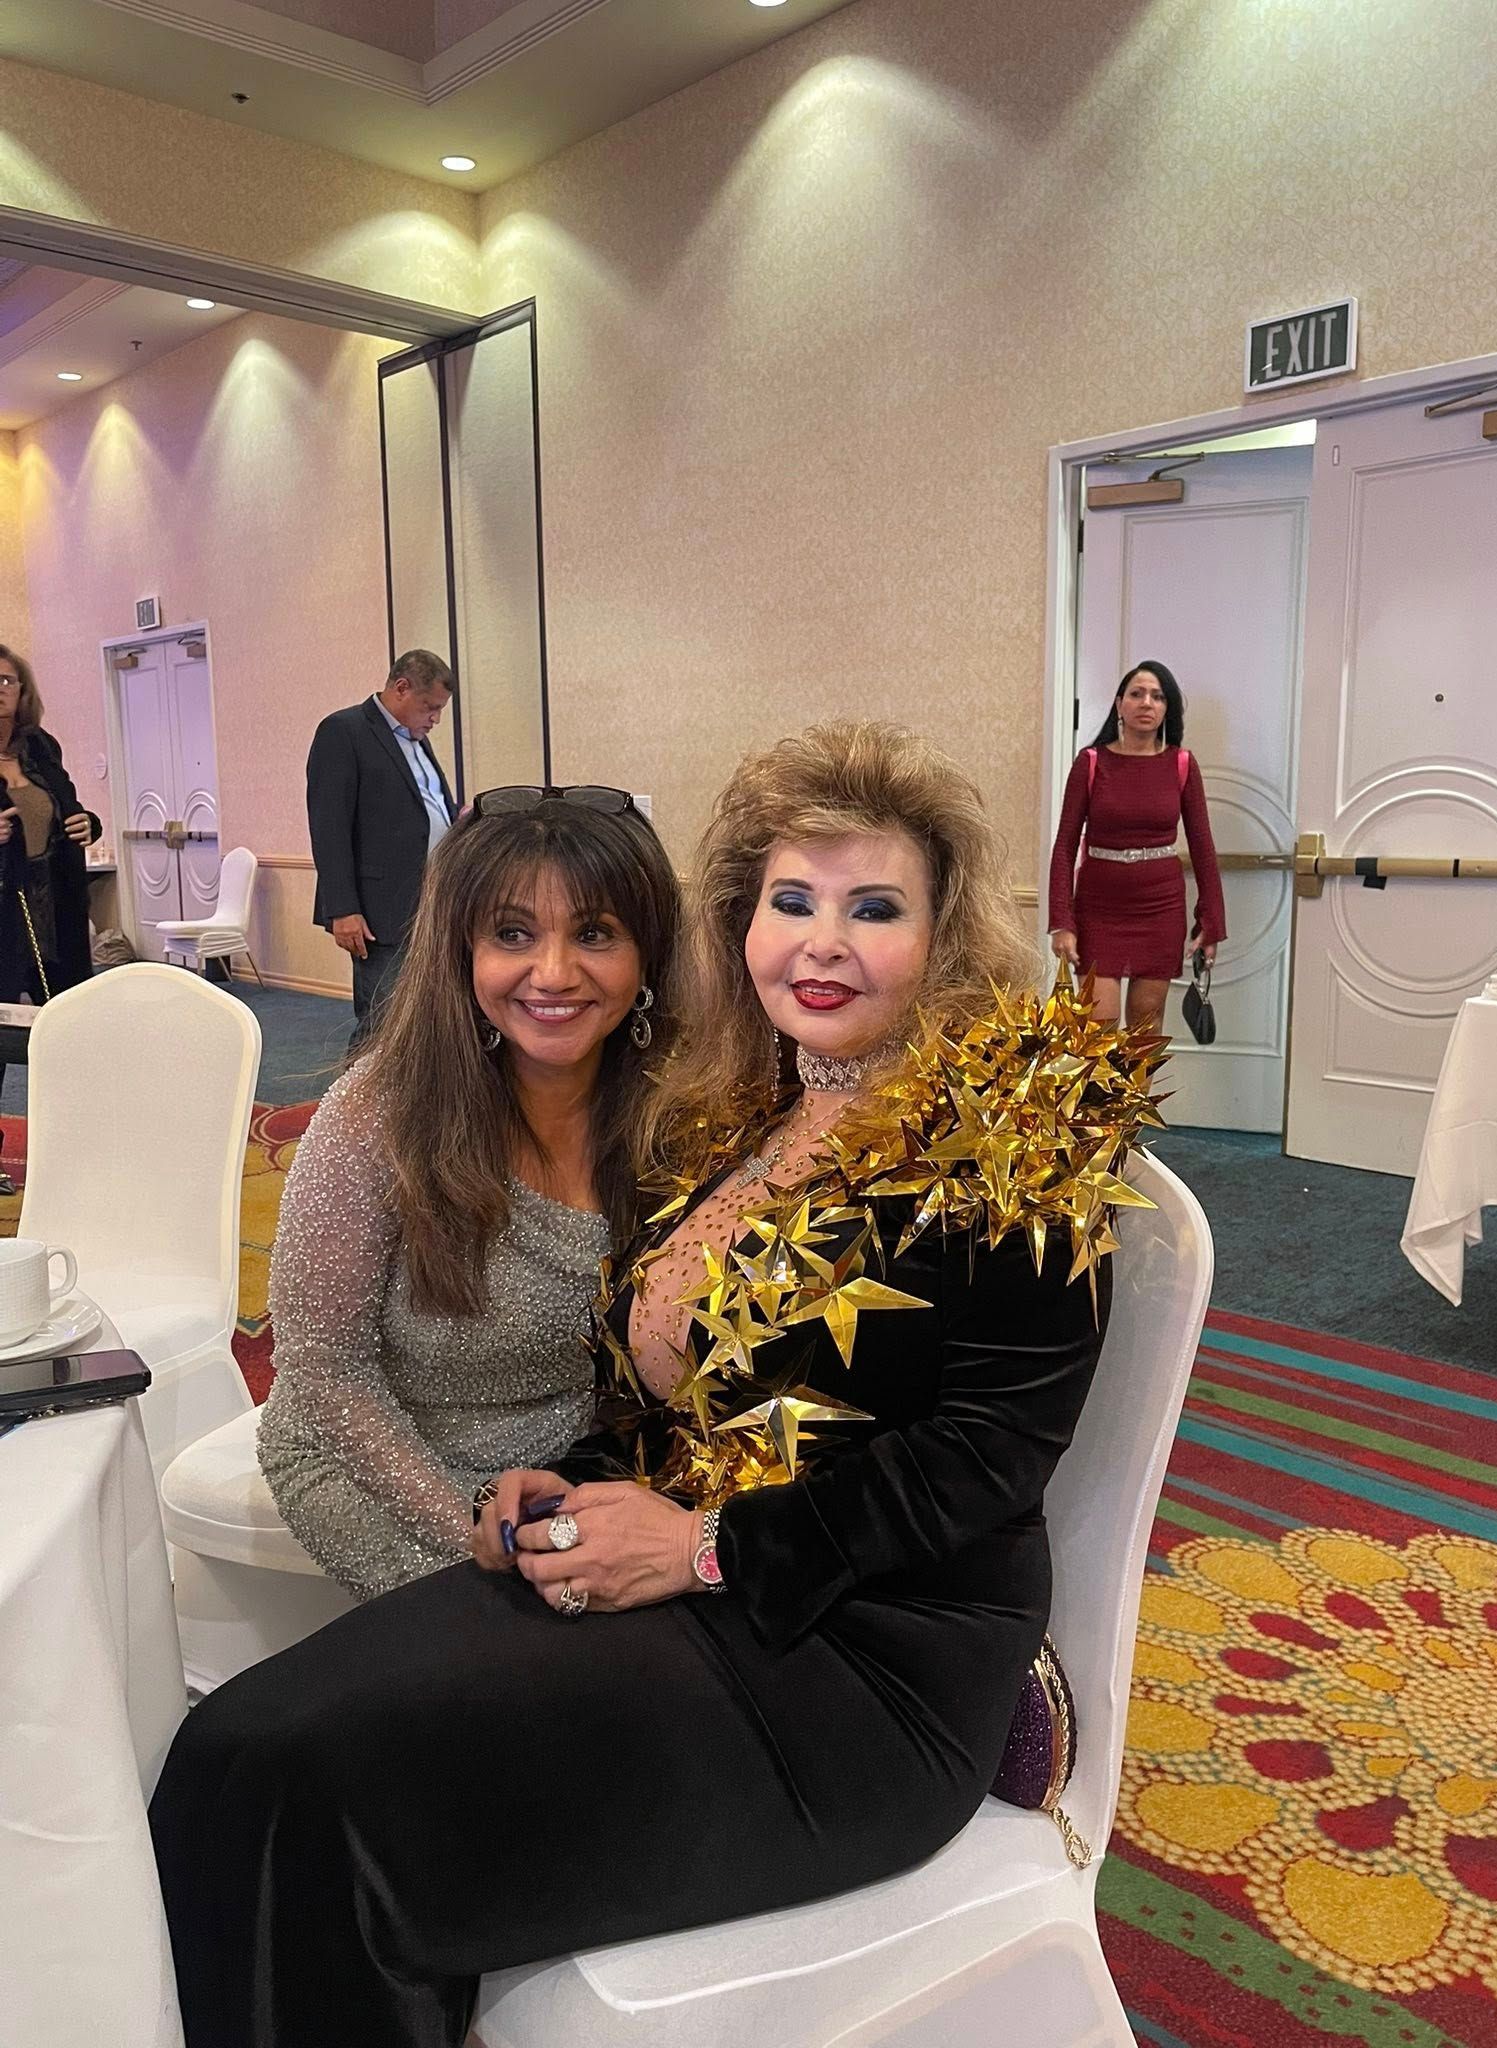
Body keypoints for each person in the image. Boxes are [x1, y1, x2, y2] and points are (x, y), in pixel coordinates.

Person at [150, 721, 1163, 2048]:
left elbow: (986, 1459)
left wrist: (701, 1548)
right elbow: (673, 1405)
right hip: (688, 1590)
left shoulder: (1022, 1123)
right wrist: (562, 1481)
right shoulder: (737, 1106)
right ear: (741, 924)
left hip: (860, 1666)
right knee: (238, 1751)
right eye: (790, 902)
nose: (823, 941)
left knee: (336, 1813)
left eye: (875, 909)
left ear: (947, 928)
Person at [258, 786, 681, 1597]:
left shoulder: (680, 1108)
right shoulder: (376, 1112)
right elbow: (325, 1371)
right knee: (524, 1666)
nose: (553, 973)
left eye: (595, 933)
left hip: (576, 1461)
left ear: (649, 954)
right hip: (379, 1459)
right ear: (461, 952)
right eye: (512, 934)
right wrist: (475, 1529)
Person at [1047, 659, 1225, 1031]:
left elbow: (1203, 848)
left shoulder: (1181, 764)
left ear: (1166, 709)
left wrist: (1211, 923)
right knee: (1097, 1024)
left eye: (1158, 697)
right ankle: (1101, 1094)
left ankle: (1138, 1094)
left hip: (1160, 908)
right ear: (1119, 704)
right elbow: (1064, 848)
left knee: (1146, 1023)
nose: (1147, 703)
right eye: (1137, 694)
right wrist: (1061, 922)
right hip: (1098, 908)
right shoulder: (1091, 763)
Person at [306, 648, 456, 1048]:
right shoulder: (344, 731)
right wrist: (343, 909)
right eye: (430, 707)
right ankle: (354, 1108)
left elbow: (426, 808)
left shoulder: (417, 740)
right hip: (379, 908)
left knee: (422, 1016)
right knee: (383, 1020)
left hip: (430, 899)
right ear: (401, 688)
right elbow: (329, 826)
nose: (435, 719)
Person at [0, 645, 102, 1195]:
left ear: (22, 690)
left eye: (7, 680)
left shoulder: (40, 747)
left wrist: (91, 823)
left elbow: (70, 807)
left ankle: (70, 1153)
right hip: (2, 919)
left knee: (66, 1037)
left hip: (54, 913)